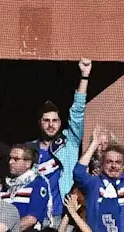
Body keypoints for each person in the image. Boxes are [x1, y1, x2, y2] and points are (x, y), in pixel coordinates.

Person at [32, 60, 91, 214]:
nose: (51, 125)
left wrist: (84, 76)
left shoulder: (69, 142)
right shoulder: (29, 149)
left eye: (55, 120)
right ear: (39, 123)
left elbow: (77, 112)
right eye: (46, 120)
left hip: (64, 213)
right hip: (36, 215)